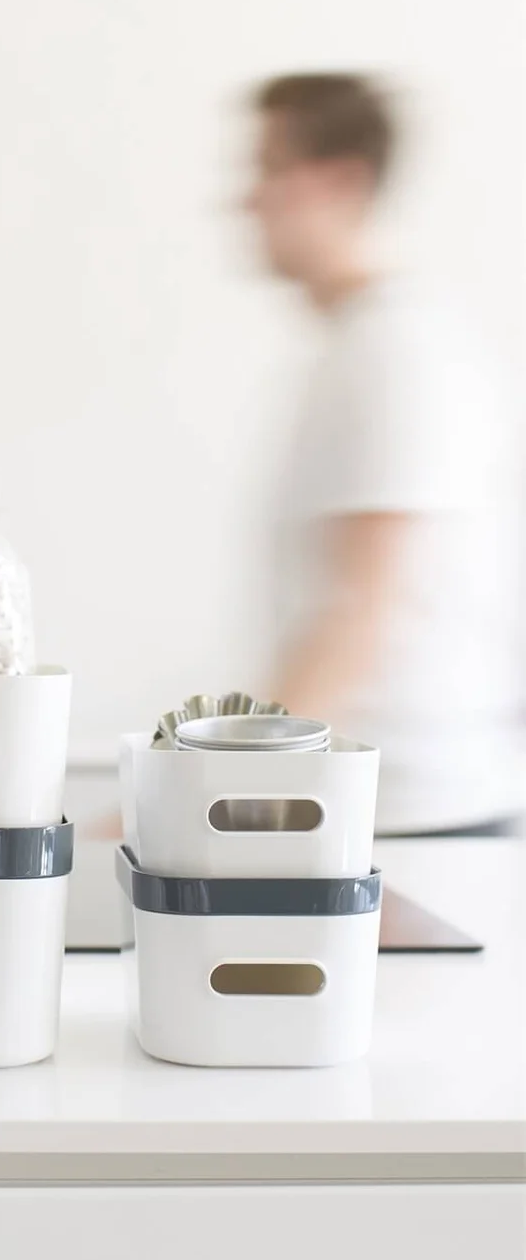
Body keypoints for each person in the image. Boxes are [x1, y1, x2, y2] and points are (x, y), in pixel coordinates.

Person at [246, 73, 523, 835]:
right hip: (379, 804)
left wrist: (213, 794)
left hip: (420, 810)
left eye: (270, 168)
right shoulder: (360, 347)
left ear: (344, 181)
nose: (248, 199)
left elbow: (360, 609)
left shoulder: (396, 352)